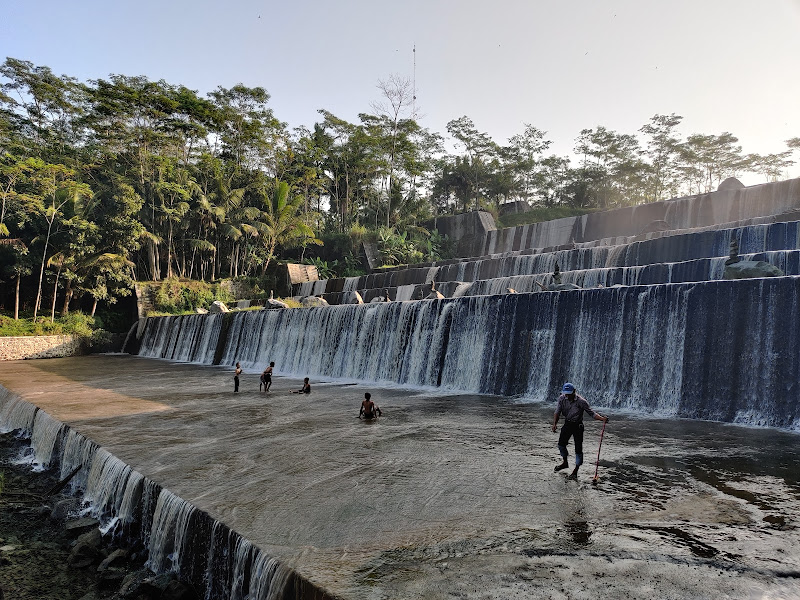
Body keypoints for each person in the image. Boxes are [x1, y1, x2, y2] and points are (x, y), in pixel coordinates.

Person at [551, 382, 608, 480]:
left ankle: (575, 471)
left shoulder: (582, 402)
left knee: (578, 449)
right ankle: (565, 462)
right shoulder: (562, 398)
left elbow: (591, 413)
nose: (567, 396)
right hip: (567, 423)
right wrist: (555, 424)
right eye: (566, 394)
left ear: (574, 391)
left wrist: (602, 419)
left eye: (569, 393)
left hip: (578, 425)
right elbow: (557, 411)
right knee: (561, 444)